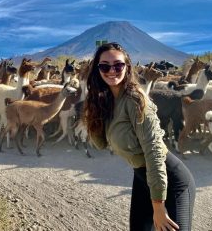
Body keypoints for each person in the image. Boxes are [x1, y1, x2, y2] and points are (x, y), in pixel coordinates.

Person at [84, 42, 196, 231]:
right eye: (104, 66)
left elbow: (154, 151)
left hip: (170, 180)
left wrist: (158, 206)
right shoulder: (108, 101)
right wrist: (92, 108)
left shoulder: (136, 100)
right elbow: (100, 144)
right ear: (97, 70)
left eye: (118, 65)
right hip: (143, 178)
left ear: (127, 67)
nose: (112, 70)